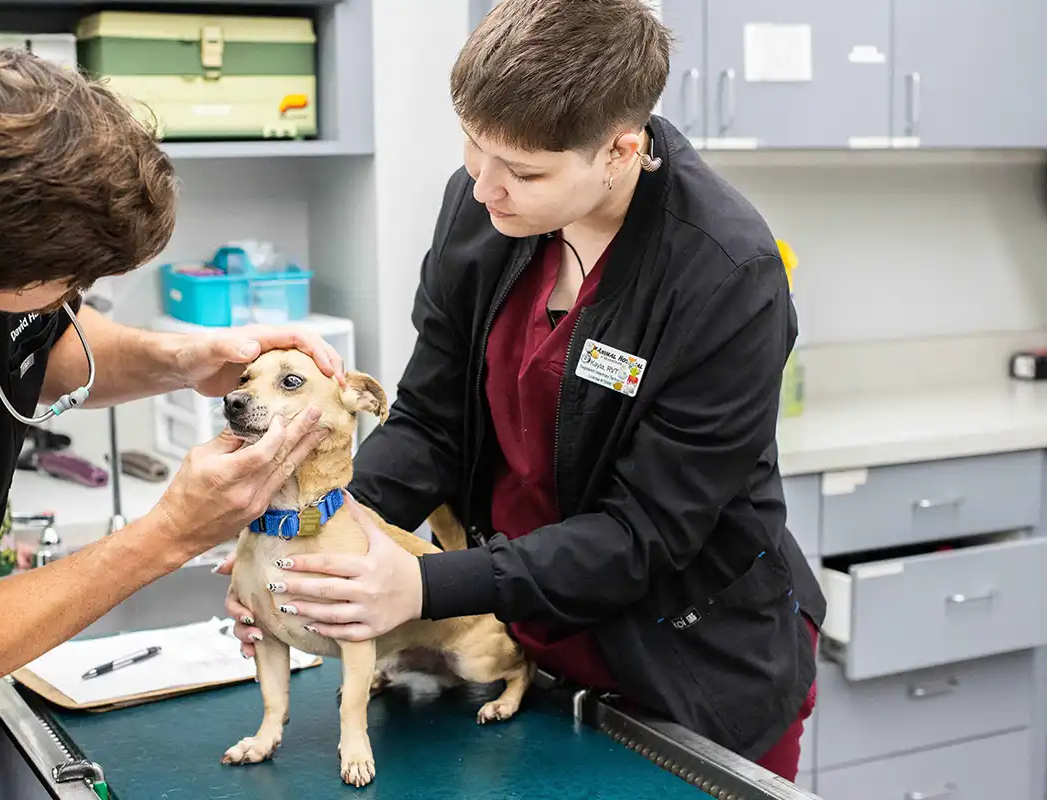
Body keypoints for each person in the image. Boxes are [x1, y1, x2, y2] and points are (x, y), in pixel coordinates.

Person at [221, 0, 827, 782]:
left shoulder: (724, 274)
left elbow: (646, 532)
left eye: (525, 171)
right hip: (511, 638)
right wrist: (316, 546)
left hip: (689, 665)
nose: (484, 189)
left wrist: (424, 583)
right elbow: (432, 422)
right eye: (474, 148)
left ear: (620, 150)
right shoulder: (481, 213)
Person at [0, 43, 344, 798]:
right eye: (69, 284)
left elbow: (40, 343)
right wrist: (174, 530)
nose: (77, 297)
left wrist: (186, 358)